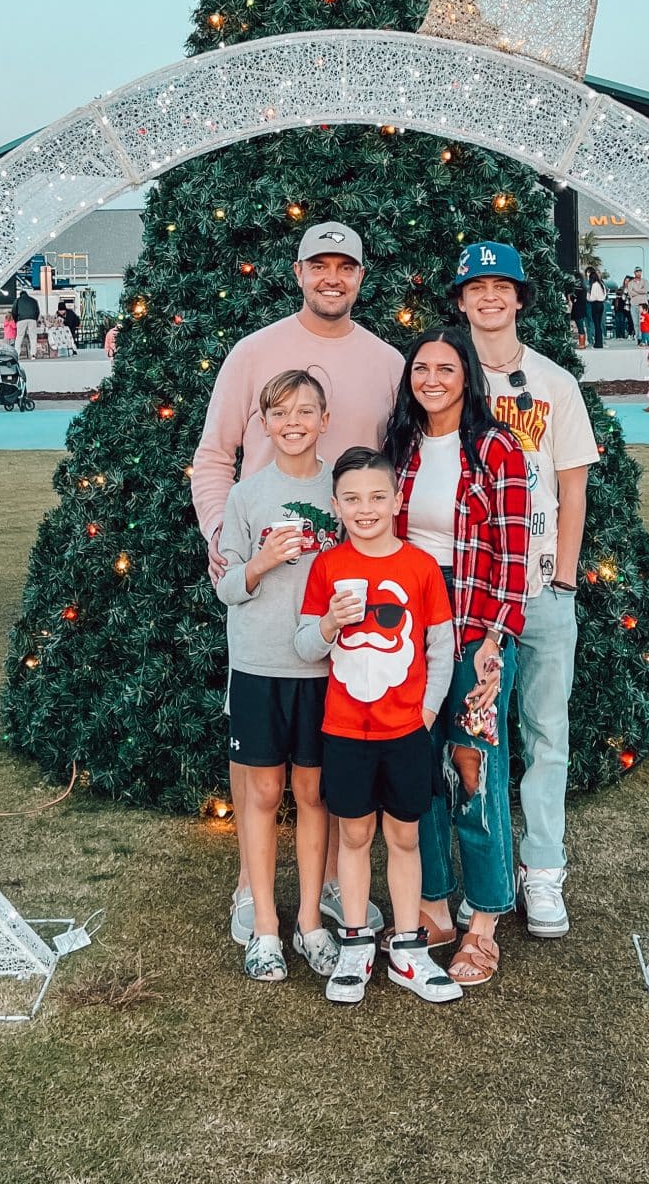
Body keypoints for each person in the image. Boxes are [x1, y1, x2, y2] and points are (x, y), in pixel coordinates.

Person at [192, 221, 403, 947]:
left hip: (345, 601)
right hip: (264, 601)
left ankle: (343, 880)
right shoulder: (254, 352)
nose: (332, 278)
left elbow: (391, 473)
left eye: (347, 265)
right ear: (299, 272)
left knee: (340, 744)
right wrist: (226, 542)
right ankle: (253, 889)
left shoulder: (386, 360)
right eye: (320, 266)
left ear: (361, 276)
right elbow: (214, 456)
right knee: (260, 764)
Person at [451, 242, 602, 937]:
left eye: (500, 287)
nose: (489, 298)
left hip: (541, 583)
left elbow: (573, 482)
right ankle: (486, 876)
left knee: (547, 732)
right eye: (476, 287)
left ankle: (543, 871)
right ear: (461, 301)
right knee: (478, 737)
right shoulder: (444, 377)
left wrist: (566, 575)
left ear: (518, 298)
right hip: (476, 589)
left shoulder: (553, 383)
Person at [386, 327, 530, 989]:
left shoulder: (496, 448)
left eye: (447, 368)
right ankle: (435, 908)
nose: (434, 379)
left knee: (475, 764)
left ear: (466, 376)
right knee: (419, 762)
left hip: (477, 628)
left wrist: (494, 643)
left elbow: (512, 553)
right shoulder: (401, 447)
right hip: (412, 627)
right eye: (423, 368)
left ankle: (485, 921)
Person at [295, 446, 459, 1005]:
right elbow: (303, 645)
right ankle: (356, 943)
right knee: (356, 835)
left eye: (376, 497)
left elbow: (442, 647)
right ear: (336, 505)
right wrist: (326, 625)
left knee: (405, 835)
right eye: (352, 499)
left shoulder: (418, 568)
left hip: (406, 731)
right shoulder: (328, 567)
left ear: (397, 499)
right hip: (344, 730)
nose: (365, 509)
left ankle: (408, 951)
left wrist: (430, 712)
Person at [216, 370, 342, 983]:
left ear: (325, 419)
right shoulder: (246, 496)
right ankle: (266, 923)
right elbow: (226, 586)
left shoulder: (342, 491)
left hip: (324, 671)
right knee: (263, 795)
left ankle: (311, 921)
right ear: (262, 424)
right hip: (260, 668)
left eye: (305, 411)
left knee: (315, 795)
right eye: (280, 413)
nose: (292, 422)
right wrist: (261, 563)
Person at [11, 283, 41, 357]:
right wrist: (35, 319)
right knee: (33, 336)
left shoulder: (18, 300)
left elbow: (14, 311)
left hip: (21, 319)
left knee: (19, 336)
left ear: (20, 295)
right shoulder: (33, 300)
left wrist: (16, 320)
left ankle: (17, 354)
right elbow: (37, 311)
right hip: (32, 319)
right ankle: (33, 354)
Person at [585, 265, 607, 349]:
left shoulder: (594, 285)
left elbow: (592, 298)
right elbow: (604, 295)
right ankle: (600, 342)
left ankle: (597, 344)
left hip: (595, 305)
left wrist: (587, 295)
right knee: (599, 324)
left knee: (596, 324)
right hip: (601, 304)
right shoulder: (601, 284)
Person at [626, 271, 649, 341]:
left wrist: (635, 290)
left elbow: (645, 291)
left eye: (640, 272)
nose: (638, 273)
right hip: (634, 304)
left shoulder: (645, 282)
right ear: (634, 273)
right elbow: (630, 293)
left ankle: (644, 337)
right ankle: (638, 337)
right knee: (636, 322)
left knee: (643, 322)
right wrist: (640, 292)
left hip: (643, 304)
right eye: (637, 272)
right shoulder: (630, 283)